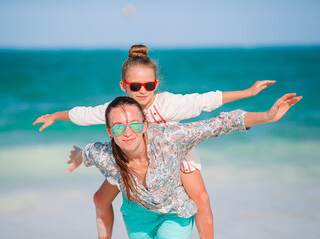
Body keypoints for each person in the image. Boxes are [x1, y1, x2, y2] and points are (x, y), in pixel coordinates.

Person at [33, 45, 276, 239]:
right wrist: (55, 115)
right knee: (100, 198)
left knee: (200, 198)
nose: (142, 91)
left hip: (177, 156)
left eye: (148, 86)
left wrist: (249, 92)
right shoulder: (117, 109)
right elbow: (84, 114)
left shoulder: (169, 104)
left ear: (156, 85)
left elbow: (207, 101)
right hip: (131, 159)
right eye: (135, 86)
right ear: (123, 86)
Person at [67, 94, 301, 239]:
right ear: (109, 131)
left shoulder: (170, 138)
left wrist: (268, 116)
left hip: (174, 213)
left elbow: (219, 124)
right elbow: (85, 153)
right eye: (118, 127)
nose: (127, 132)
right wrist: (76, 156)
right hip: (137, 216)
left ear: (145, 124)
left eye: (135, 125)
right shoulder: (104, 154)